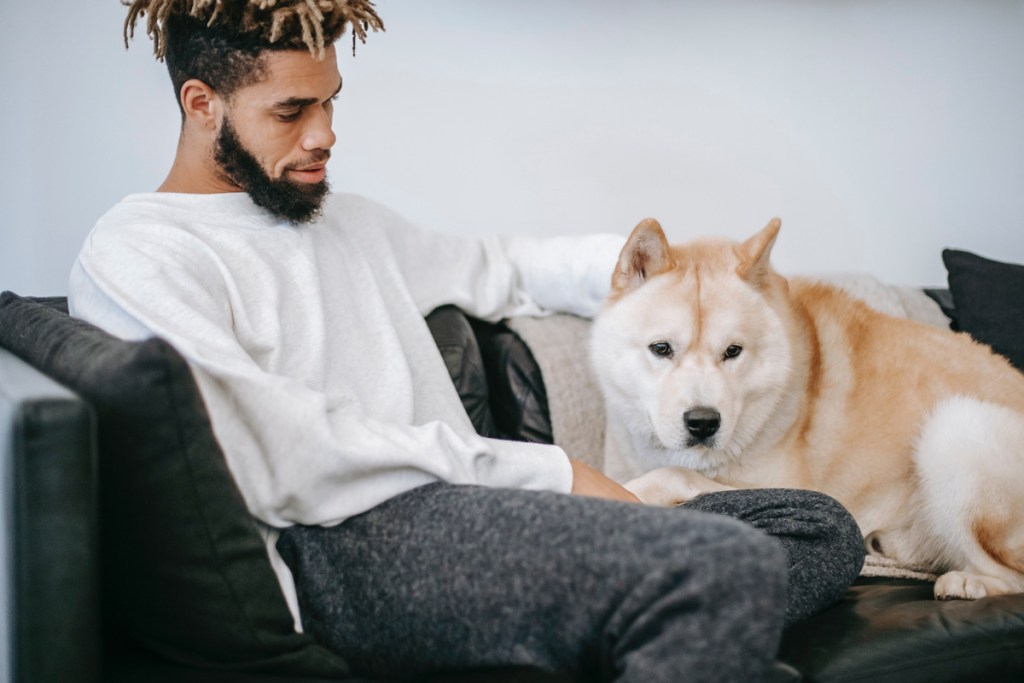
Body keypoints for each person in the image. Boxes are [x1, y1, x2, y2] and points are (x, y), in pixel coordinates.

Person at [69, 2, 864, 681]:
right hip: (344, 540)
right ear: (201, 102)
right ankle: (662, 606)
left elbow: (501, 265)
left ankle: (619, 622)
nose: (325, 135)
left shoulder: (347, 221)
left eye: (331, 102)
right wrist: (557, 472)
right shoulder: (141, 250)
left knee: (822, 528)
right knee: (727, 562)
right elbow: (283, 454)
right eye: (291, 112)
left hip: (468, 513)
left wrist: (655, 280)